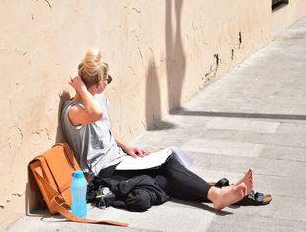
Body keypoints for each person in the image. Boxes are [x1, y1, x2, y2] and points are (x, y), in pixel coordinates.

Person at [61, 49, 254, 211]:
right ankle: (217, 194)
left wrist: (126, 147)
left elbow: (106, 128)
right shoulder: (74, 111)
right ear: (96, 84)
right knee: (165, 168)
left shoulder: (99, 98)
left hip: (119, 159)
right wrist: (82, 90)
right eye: (107, 79)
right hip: (103, 170)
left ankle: (219, 193)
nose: (108, 82)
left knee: (165, 170)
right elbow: (95, 114)